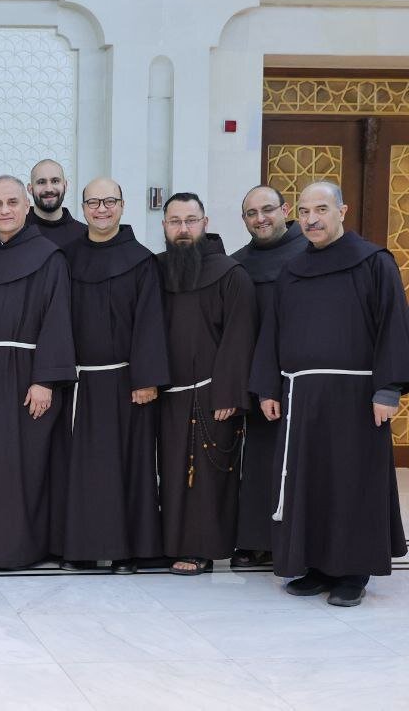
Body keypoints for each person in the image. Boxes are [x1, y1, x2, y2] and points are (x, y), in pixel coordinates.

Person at [251, 181, 409, 607]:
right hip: (302, 396)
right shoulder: (292, 269)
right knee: (310, 483)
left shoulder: (374, 263)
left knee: (351, 483)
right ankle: (317, 566)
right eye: (303, 211)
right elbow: (274, 331)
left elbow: (392, 325)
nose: (311, 219)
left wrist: (388, 388)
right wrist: (268, 386)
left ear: (343, 210)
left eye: (321, 209)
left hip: (356, 397)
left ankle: (352, 572)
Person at [0, 175, 75, 569]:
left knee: (23, 463)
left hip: (26, 377)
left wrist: (45, 380)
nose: (4, 211)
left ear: (26, 206)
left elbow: (57, 320)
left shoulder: (49, 256)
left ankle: (18, 547)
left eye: (11, 203)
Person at [54, 178, 167, 574]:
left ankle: (127, 552)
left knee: (128, 468)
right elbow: (55, 321)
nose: (101, 209)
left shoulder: (141, 260)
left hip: (126, 384)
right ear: (82, 207)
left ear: (123, 205)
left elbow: (151, 323)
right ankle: (80, 549)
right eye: (93, 202)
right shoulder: (64, 258)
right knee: (79, 469)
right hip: (79, 383)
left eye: (109, 201)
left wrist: (146, 379)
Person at [156, 192, 256, 575]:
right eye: (174, 221)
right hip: (166, 395)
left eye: (190, 220)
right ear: (164, 226)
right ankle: (169, 543)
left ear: (205, 223)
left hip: (214, 395)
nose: (183, 229)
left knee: (206, 477)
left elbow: (240, 337)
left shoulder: (231, 275)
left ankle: (202, 548)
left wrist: (229, 392)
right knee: (170, 473)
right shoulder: (157, 269)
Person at [229, 185, 307, 568]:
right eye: (251, 213)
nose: (260, 219)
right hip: (256, 375)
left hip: (300, 376)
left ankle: (293, 537)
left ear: (286, 209)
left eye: (267, 210)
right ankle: (255, 538)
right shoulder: (238, 263)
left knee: (298, 460)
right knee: (259, 459)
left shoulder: (308, 254)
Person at [25, 159, 87, 249]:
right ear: (30, 189)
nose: (49, 189)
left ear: (65, 186)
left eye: (55, 181)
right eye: (41, 182)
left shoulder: (84, 234)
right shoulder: (17, 230)